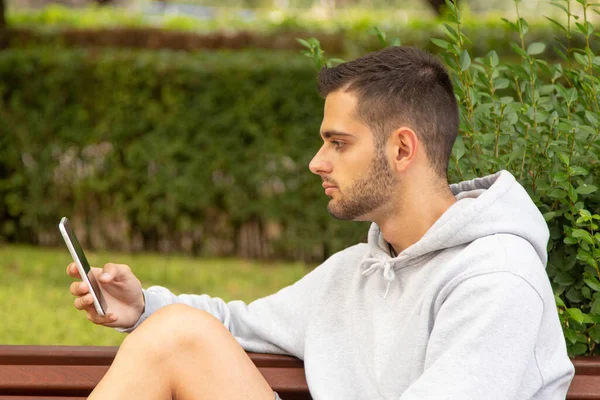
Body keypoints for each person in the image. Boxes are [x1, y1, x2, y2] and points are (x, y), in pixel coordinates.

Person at [66, 46, 575, 399]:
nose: (317, 162)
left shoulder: (497, 280)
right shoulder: (356, 271)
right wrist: (142, 307)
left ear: (402, 149)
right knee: (175, 333)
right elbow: (232, 327)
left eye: (338, 142)